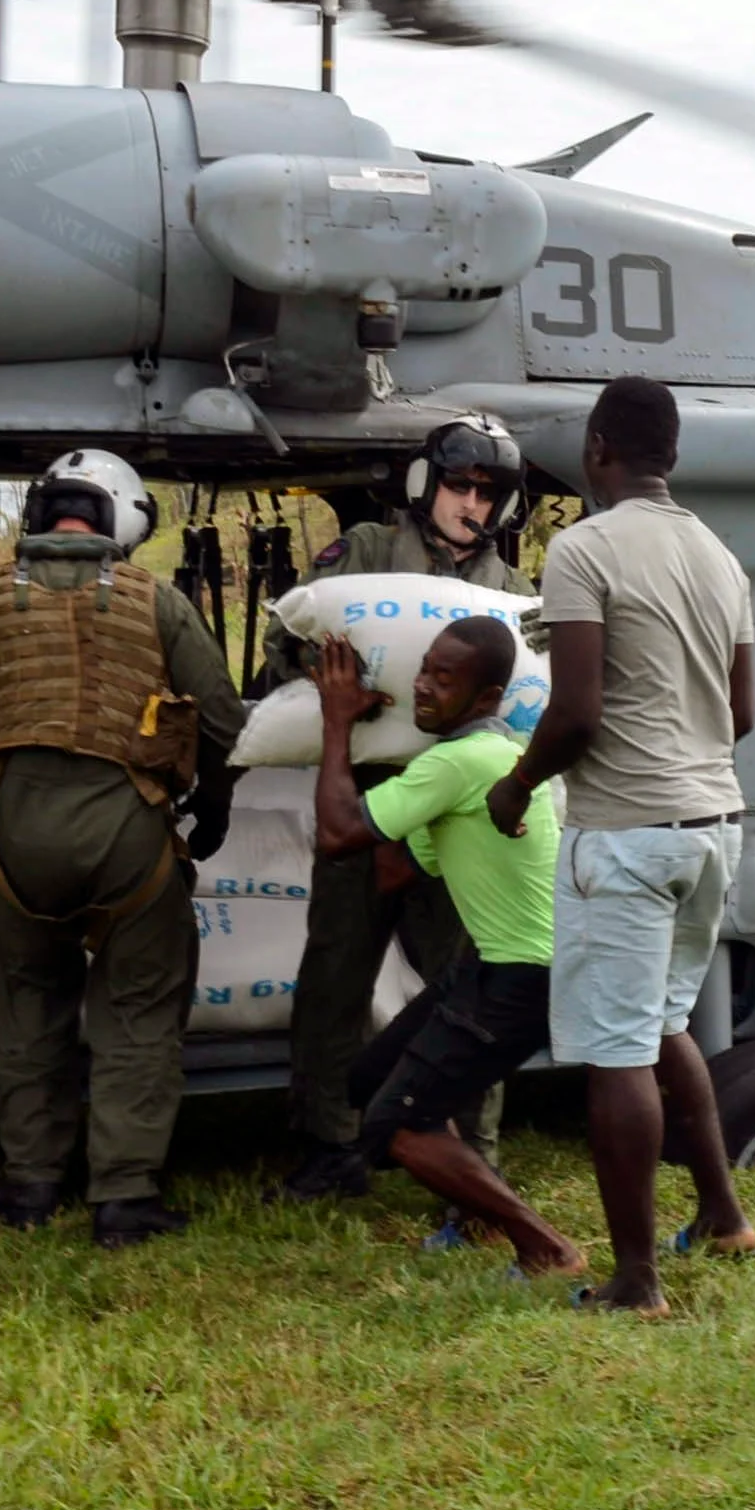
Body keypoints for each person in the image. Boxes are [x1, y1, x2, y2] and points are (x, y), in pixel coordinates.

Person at [0, 447, 246, 1246]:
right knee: (138, 1013)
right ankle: (125, 1196)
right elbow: (227, 722)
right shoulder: (158, 600)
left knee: (25, 1008)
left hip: (17, 847)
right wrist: (214, 802)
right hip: (133, 842)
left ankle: (30, 1184)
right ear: (119, 524)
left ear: (36, 522)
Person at [484, 377, 755, 1317]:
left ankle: (637, 1279)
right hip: (715, 828)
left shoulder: (584, 547)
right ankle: (722, 1213)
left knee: (616, 1053)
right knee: (662, 1025)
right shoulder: (720, 556)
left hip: (629, 834)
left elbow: (577, 712)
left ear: (600, 447)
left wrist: (515, 786)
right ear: (670, 454)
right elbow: (744, 710)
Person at [274, 416, 531, 1209]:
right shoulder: (366, 553)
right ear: (427, 484)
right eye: (460, 484)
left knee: (471, 989)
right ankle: (329, 1147)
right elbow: (290, 644)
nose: (472, 503)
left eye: (488, 492)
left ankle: (472, 1157)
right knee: (334, 983)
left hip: (459, 818)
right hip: (374, 802)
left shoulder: (513, 593)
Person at [305, 618, 587, 1278]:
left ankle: (546, 1246)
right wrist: (406, 798)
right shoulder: (492, 757)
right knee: (372, 1078)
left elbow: (337, 832)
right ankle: (482, 1217)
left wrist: (338, 722)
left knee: (398, 1124)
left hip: (523, 974)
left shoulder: (460, 761)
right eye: (423, 670)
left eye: (445, 678)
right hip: (495, 963)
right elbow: (397, 871)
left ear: (487, 699)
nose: (424, 687)